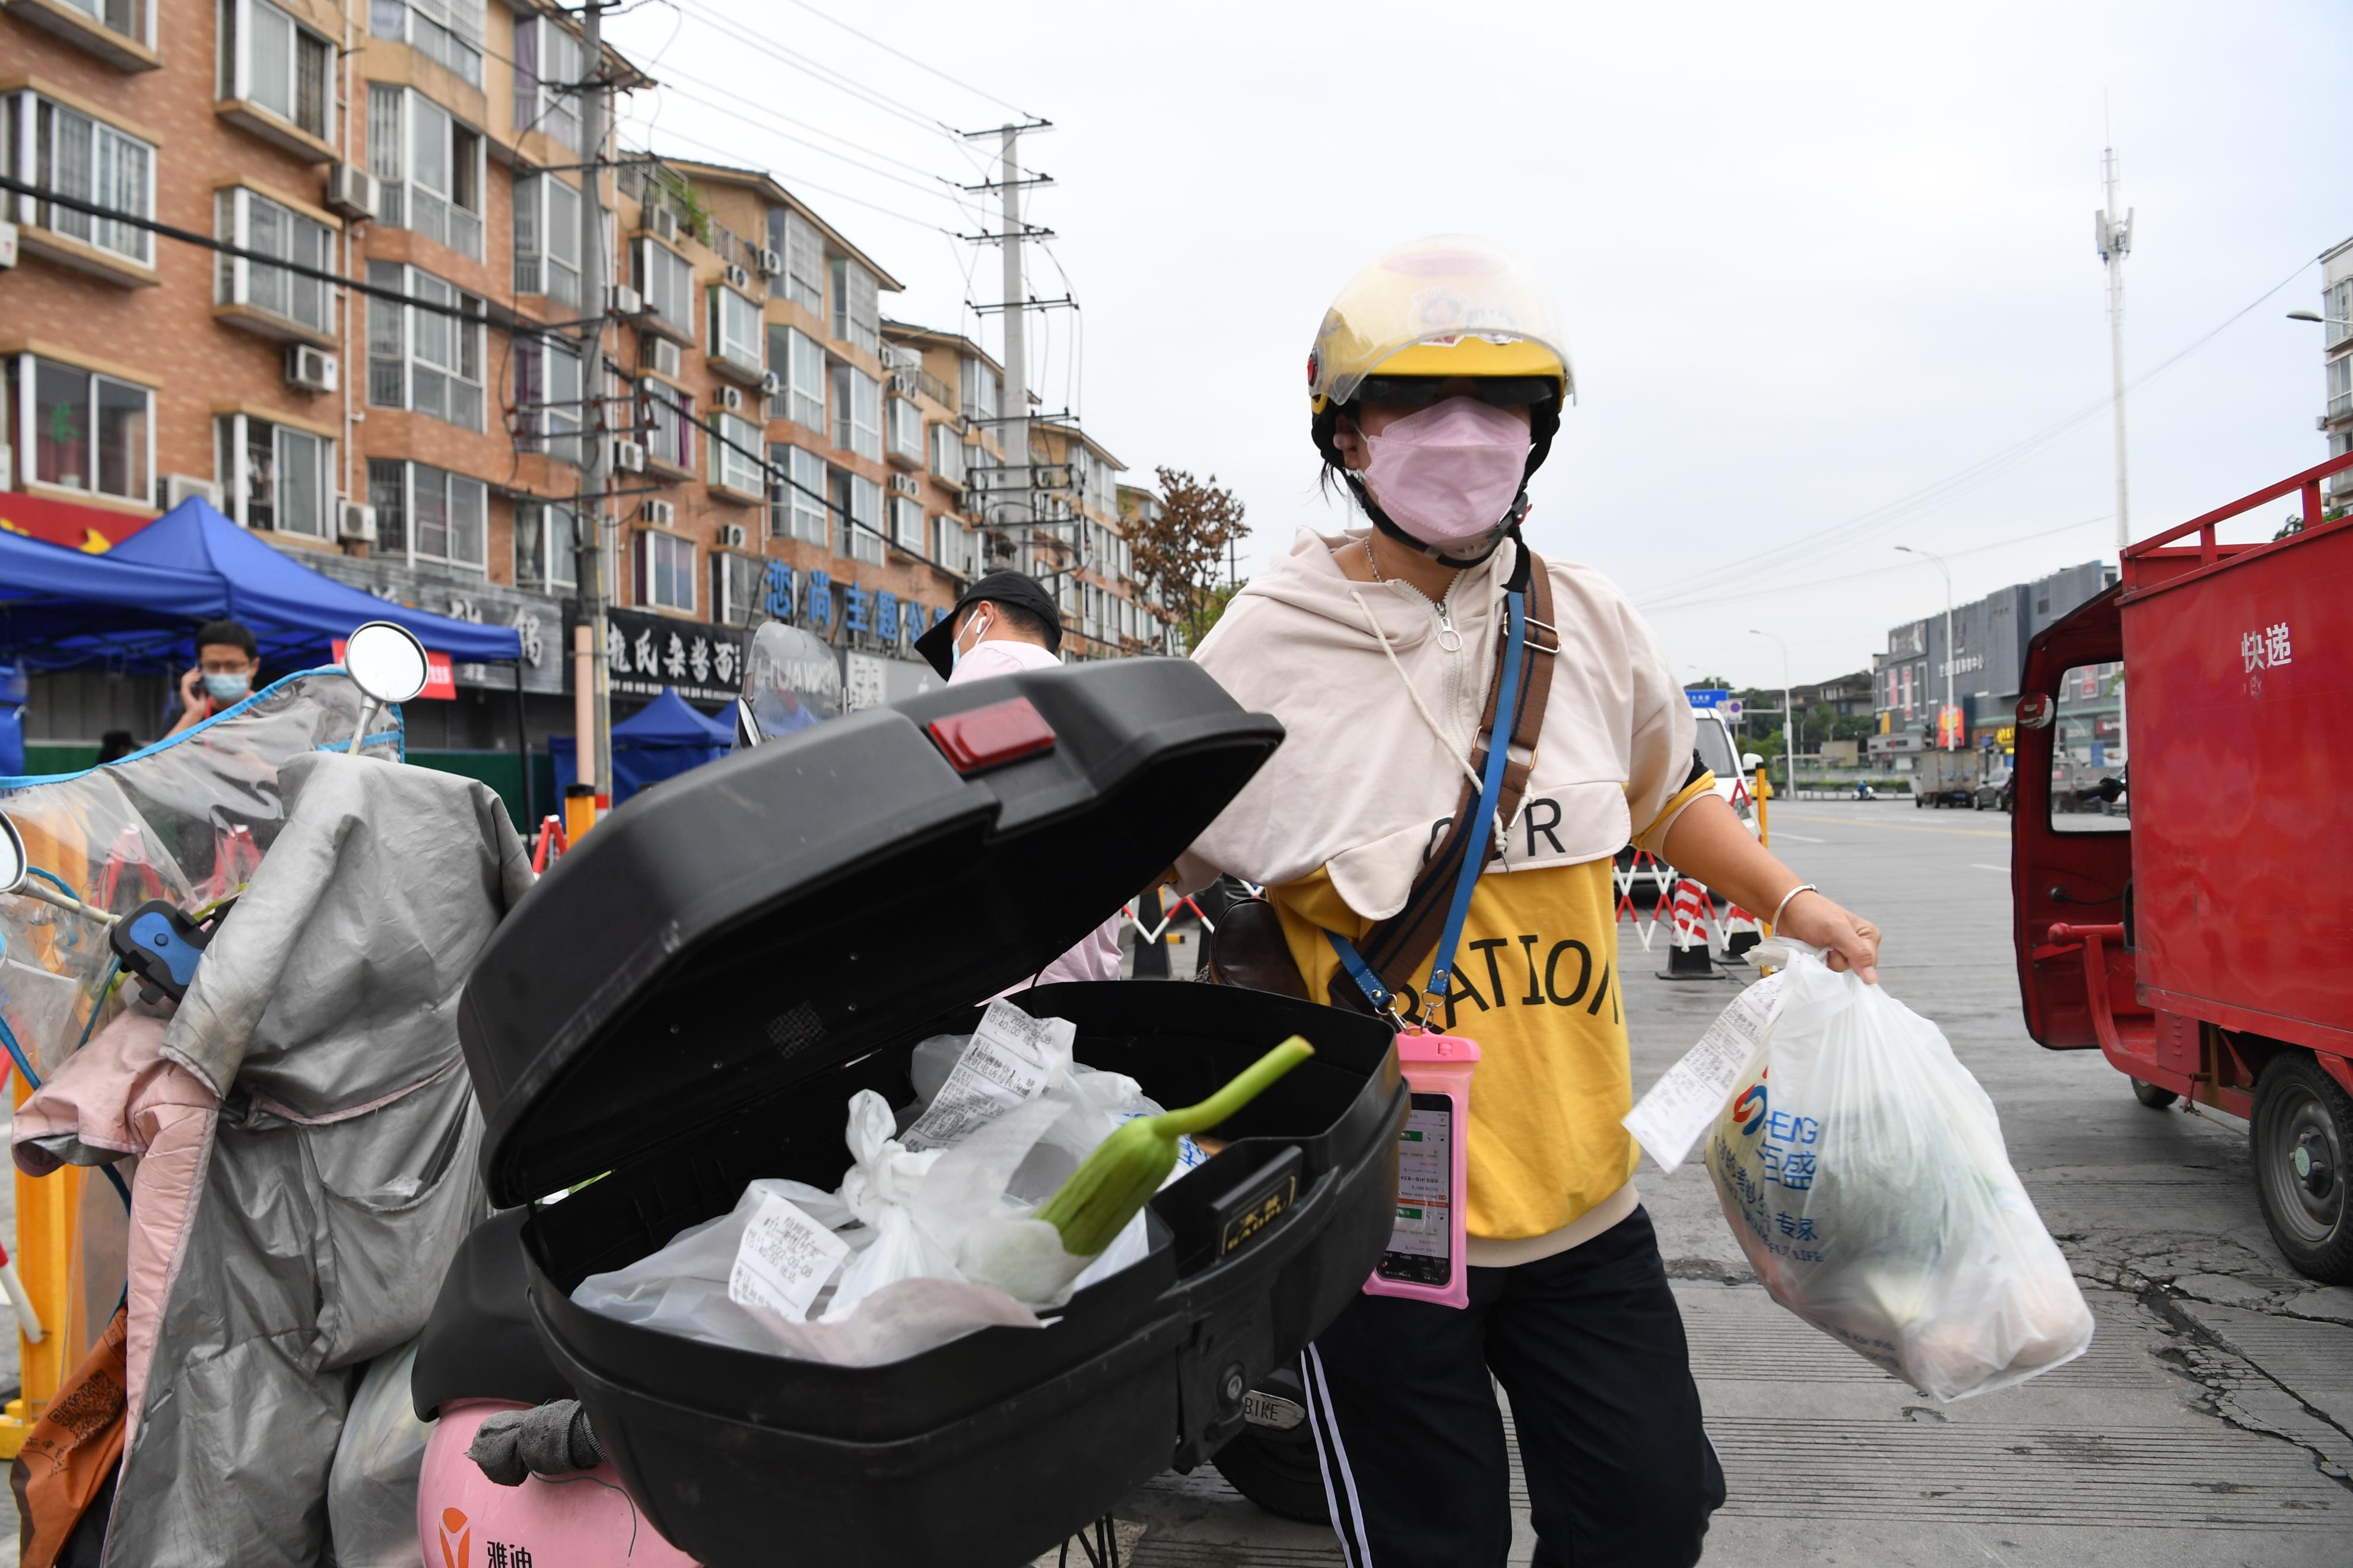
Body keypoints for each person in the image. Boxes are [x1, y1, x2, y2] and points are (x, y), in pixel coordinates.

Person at [1174, 236, 1882, 1568]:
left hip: (1582, 1202)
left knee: (1646, 1511)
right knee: (1427, 1544)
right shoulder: (1266, 643)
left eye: (1499, 402)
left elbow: (1666, 798)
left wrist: (1794, 904)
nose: (1460, 434)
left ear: (1539, 432)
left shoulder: (1588, 619)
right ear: (1342, 428)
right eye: (1413, 402)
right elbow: (1163, 861)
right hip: (1379, 1218)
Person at [914, 571, 1122, 986]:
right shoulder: (1087, 697)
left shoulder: (989, 666)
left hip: (1003, 987)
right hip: (1088, 976)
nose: (957, 655)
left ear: (983, 616)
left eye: (957, 636)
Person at [166, 620, 261, 736]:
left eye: (233, 666)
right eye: (213, 666)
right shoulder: (185, 714)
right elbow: (155, 754)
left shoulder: (270, 714)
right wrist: (192, 716)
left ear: (254, 666)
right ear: (199, 667)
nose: (222, 674)